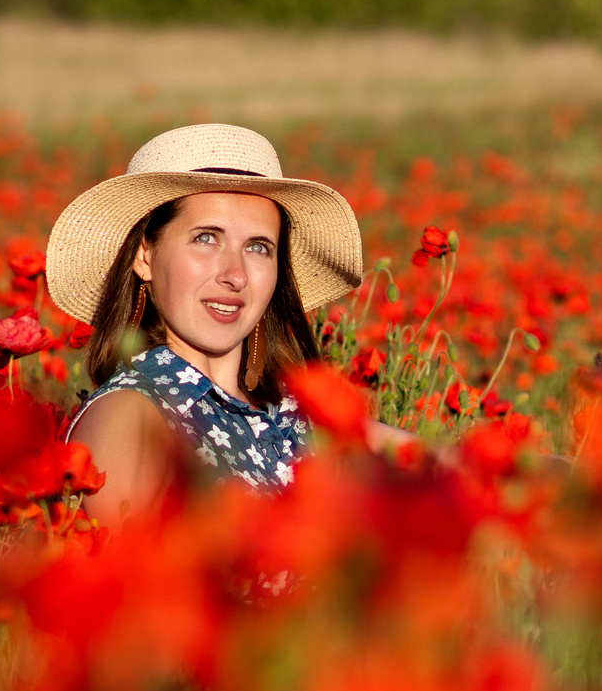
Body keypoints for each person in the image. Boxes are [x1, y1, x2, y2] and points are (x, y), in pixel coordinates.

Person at [46, 123, 396, 520]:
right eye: (206, 238)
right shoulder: (130, 415)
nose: (236, 274)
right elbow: (139, 577)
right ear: (144, 256)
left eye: (259, 247)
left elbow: (452, 470)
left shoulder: (293, 417)